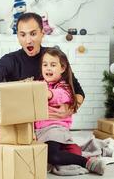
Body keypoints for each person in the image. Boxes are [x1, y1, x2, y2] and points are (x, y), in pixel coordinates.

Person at [0, 12, 85, 171]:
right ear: (18, 36)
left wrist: (71, 107)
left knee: (75, 154)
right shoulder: (10, 60)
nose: (28, 40)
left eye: (33, 33)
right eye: (23, 34)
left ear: (42, 33)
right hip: (14, 123)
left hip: (48, 127)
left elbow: (78, 92)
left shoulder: (53, 58)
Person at [35, 47, 105, 175]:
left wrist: (49, 94)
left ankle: (88, 162)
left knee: (52, 156)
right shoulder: (39, 84)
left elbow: (61, 95)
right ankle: (69, 149)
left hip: (55, 128)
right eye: (45, 65)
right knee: (39, 154)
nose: (48, 68)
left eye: (53, 65)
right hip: (38, 130)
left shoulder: (64, 86)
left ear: (62, 68)